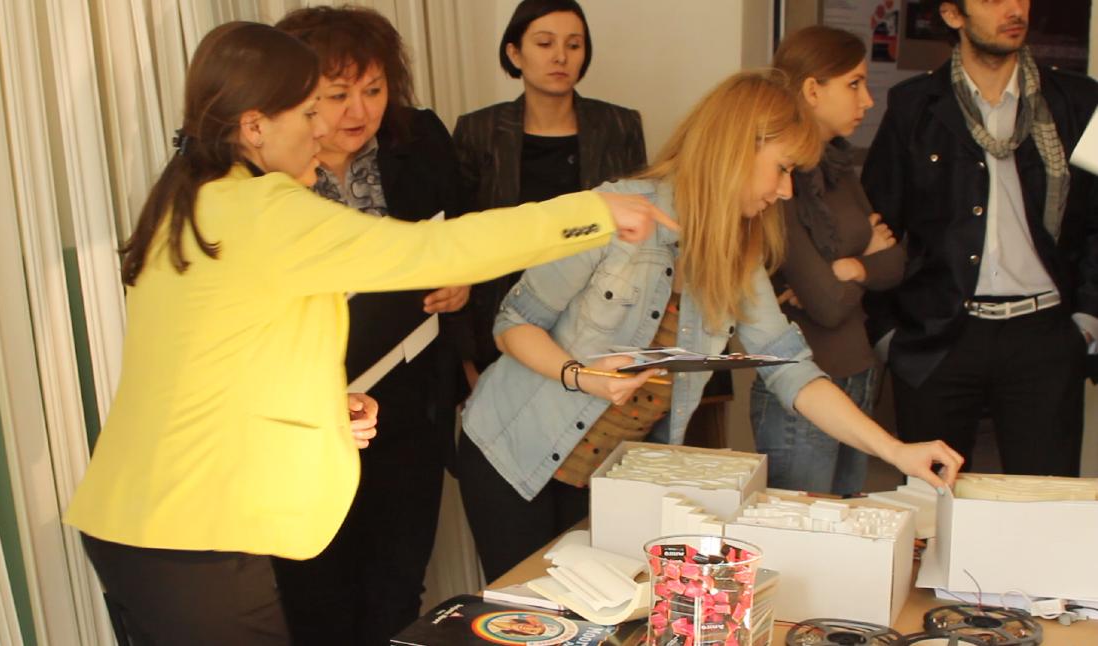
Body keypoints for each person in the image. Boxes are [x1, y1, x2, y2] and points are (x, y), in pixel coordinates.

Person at [63, 21, 672, 646]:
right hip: (190, 534)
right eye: (309, 112)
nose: (323, 127)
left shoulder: (196, 199)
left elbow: (211, 358)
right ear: (254, 127)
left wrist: (319, 406)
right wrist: (591, 211)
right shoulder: (261, 208)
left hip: (144, 523)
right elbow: (434, 250)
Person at [458, 71, 965, 583]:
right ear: (737, 150)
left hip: (609, 478)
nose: (786, 190)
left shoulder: (737, 256)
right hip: (513, 454)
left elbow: (791, 369)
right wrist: (582, 375)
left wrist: (896, 451)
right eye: (782, 168)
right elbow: (513, 323)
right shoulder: (618, 210)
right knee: (528, 612)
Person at [272, 7, 464, 644]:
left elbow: (465, 232)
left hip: (411, 400)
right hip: (313, 412)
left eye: (374, 90)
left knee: (398, 584)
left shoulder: (420, 139)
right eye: (338, 95)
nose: (360, 111)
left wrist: (462, 282)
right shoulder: (265, 174)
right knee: (317, 591)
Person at [862, 0, 1098, 476]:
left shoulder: (1079, 100)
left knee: (1044, 500)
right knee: (935, 498)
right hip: (939, 334)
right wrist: (889, 337)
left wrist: (1087, 319)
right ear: (953, 15)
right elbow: (876, 226)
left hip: (1044, 334)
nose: (1014, 9)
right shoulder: (914, 105)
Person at [452, 0, 647, 388]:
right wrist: (466, 355)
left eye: (574, 45)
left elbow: (636, 231)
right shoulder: (479, 131)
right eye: (544, 43)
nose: (561, 56)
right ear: (514, 53)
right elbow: (460, 241)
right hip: (500, 321)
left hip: (593, 323)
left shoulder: (618, 125)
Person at [750, 26, 906, 496]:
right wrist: (865, 258)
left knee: (845, 522)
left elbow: (896, 262)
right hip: (804, 383)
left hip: (857, 371)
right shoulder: (778, 180)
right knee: (804, 525)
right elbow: (827, 304)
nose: (868, 101)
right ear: (813, 90)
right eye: (854, 84)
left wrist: (849, 268)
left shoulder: (837, 167)